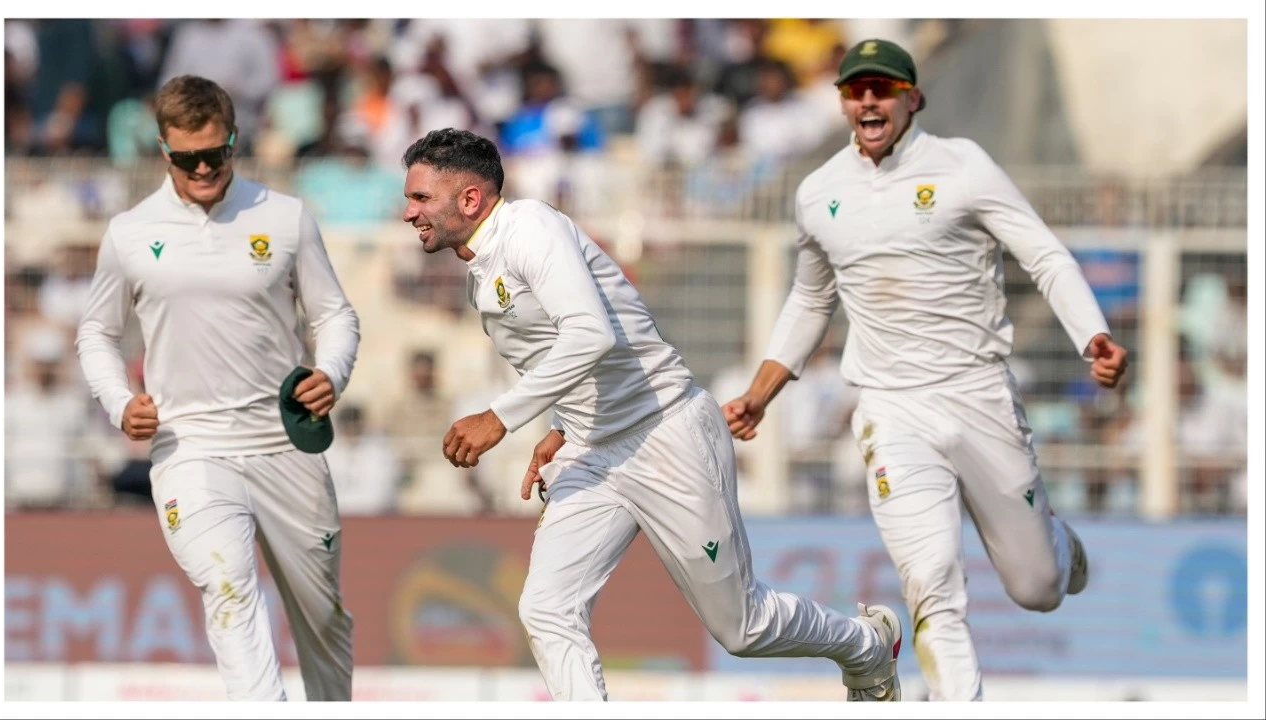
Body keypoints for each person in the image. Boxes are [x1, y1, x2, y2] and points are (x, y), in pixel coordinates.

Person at [398, 128, 904, 702]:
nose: (408, 212)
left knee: (742, 628)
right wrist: (562, 426)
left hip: (663, 431)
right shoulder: (481, 270)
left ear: (470, 199)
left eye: (420, 198)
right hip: (592, 453)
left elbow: (591, 334)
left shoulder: (530, 227)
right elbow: (571, 347)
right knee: (546, 609)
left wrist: (500, 417)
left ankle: (867, 644)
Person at [721, 39, 1129, 702]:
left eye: (883, 88)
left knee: (1037, 587)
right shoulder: (819, 192)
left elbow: (1045, 256)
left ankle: (1058, 547)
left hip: (978, 393)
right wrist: (762, 392)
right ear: (842, 102)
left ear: (913, 97)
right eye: (856, 90)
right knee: (932, 584)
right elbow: (811, 297)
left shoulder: (963, 166)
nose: (869, 101)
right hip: (891, 406)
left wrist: (1094, 336)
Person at [75, 75, 360, 701]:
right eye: (187, 158)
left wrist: (330, 373)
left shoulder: (284, 217)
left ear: (233, 139)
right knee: (227, 587)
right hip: (190, 445)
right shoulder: (130, 231)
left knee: (325, 620)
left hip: (285, 445)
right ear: (162, 149)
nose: (203, 168)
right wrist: (120, 404)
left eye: (216, 152)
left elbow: (335, 315)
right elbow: (96, 332)